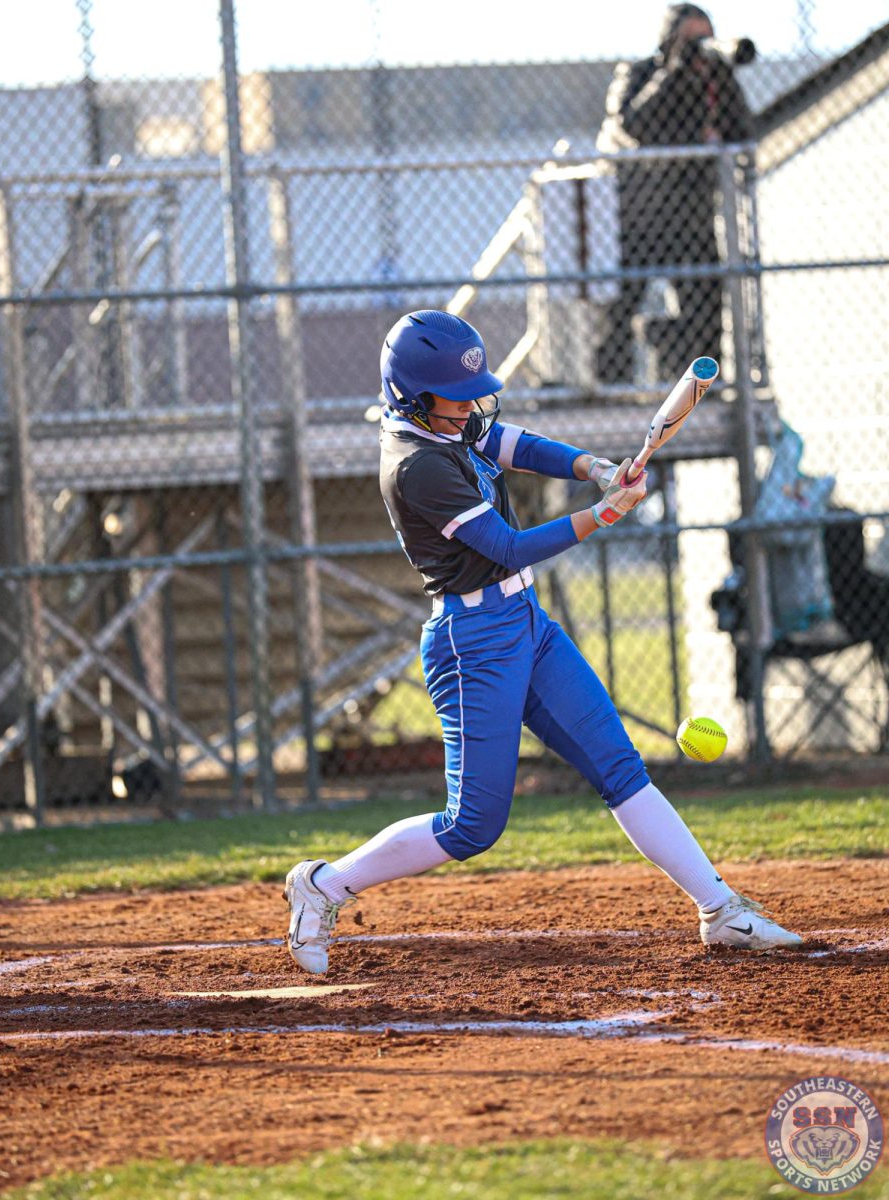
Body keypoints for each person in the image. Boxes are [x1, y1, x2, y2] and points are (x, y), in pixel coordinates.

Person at [284, 309, 801, 973]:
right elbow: (504, 546)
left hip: (525, 623)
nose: (471, 405)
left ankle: (721, 911)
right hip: (472, 643)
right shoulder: (416, 467)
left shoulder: (447, 417)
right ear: (413, 397)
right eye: (455, 394)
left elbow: (514, 444)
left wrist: (591, 467)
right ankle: (322, 885)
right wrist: (603, 513)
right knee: (472, 826)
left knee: (619, 768)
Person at [594, 3, 754, 383]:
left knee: (706, 308)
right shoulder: (641, 72)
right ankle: (611, 388)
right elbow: (633, 123)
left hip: (694, 215)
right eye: (691, 39)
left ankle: (704, 387)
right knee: (620, 309)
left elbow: (744, 132)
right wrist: (676, 70)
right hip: (641, 215)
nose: (701, 47)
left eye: (705, 38)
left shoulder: (716, 79)